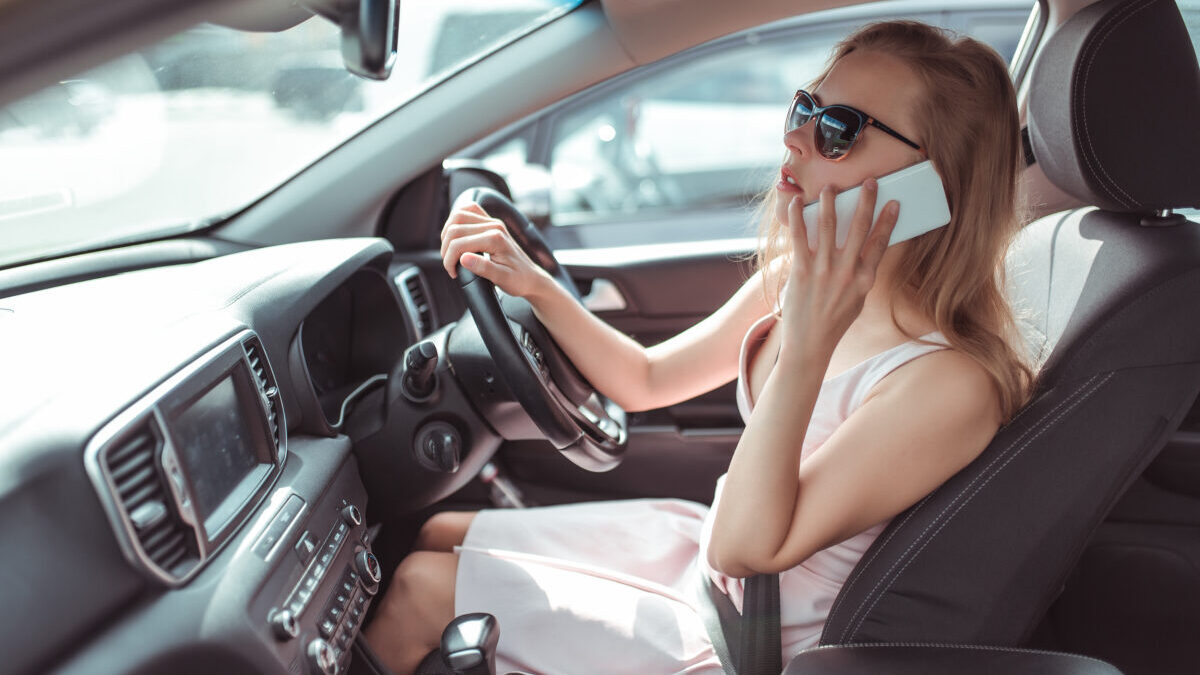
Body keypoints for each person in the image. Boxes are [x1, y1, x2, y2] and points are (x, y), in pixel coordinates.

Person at [364, 20, 1035, 675]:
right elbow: (648, 379)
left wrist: (806, 341)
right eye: (805, 107)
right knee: (438, 531)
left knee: (424, 587)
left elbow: (751, 547)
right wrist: (533, 284)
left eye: (839, 130)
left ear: (932, 183)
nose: (797, 138)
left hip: (747, 637)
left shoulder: (947, 382)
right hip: (700, 553)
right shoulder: (790, 277)